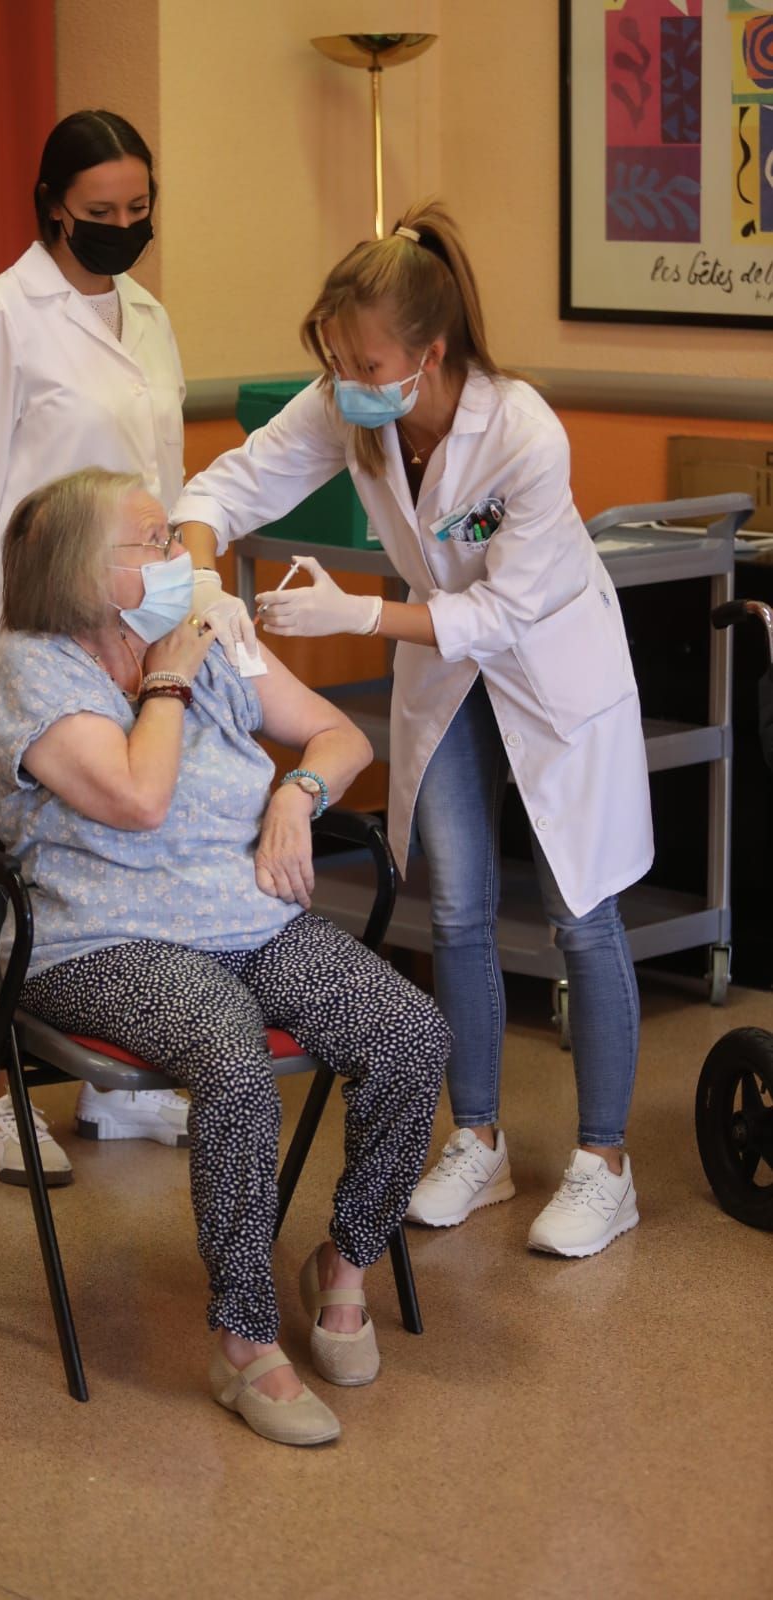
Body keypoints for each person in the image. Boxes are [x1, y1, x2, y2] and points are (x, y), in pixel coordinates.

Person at [171, 201, 654, 1260]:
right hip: (446, 672)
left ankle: (604, 1164)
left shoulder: (521, 429)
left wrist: (356, 614)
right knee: (461, 910)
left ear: (428, 355)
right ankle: (476, 1141)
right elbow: (228, 482)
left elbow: (500, 609)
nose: (345, 375)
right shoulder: (353, 407)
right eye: (335, 356)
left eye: (364, 358)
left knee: (582, 911)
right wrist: (202, 573)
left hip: (548, 668)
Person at [0, 467, 450, 1445]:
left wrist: (297, 796)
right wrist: (166, 673)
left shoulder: (206, 631)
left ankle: (343, 1264)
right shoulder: (39, 666)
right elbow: (137, 796)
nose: (178, 560)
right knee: (233, 1061)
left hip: (252, 922)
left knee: (409, 1031)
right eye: (152, 544)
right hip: (103, 942)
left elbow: (336, 733)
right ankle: (242, 1341)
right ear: (83, 568)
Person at [0, 111, 250, 1181]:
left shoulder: (147, 313)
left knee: (127, 851)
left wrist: (192, 587)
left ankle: (128, 1083)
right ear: (53, 203)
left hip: (132, 623)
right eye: (98, 212)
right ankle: (4, 1090)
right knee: (25, 861)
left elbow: (166, 472)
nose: (120, 227)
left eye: (138, 211)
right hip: (37, 629)